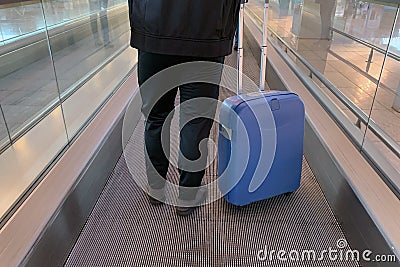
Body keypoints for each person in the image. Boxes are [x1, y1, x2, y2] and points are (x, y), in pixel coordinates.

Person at [128, 0, 241, 216]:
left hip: (153, 31)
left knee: (156, 116)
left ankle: (156, 188)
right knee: (195, 121)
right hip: (207, 33)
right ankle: (187, 195)